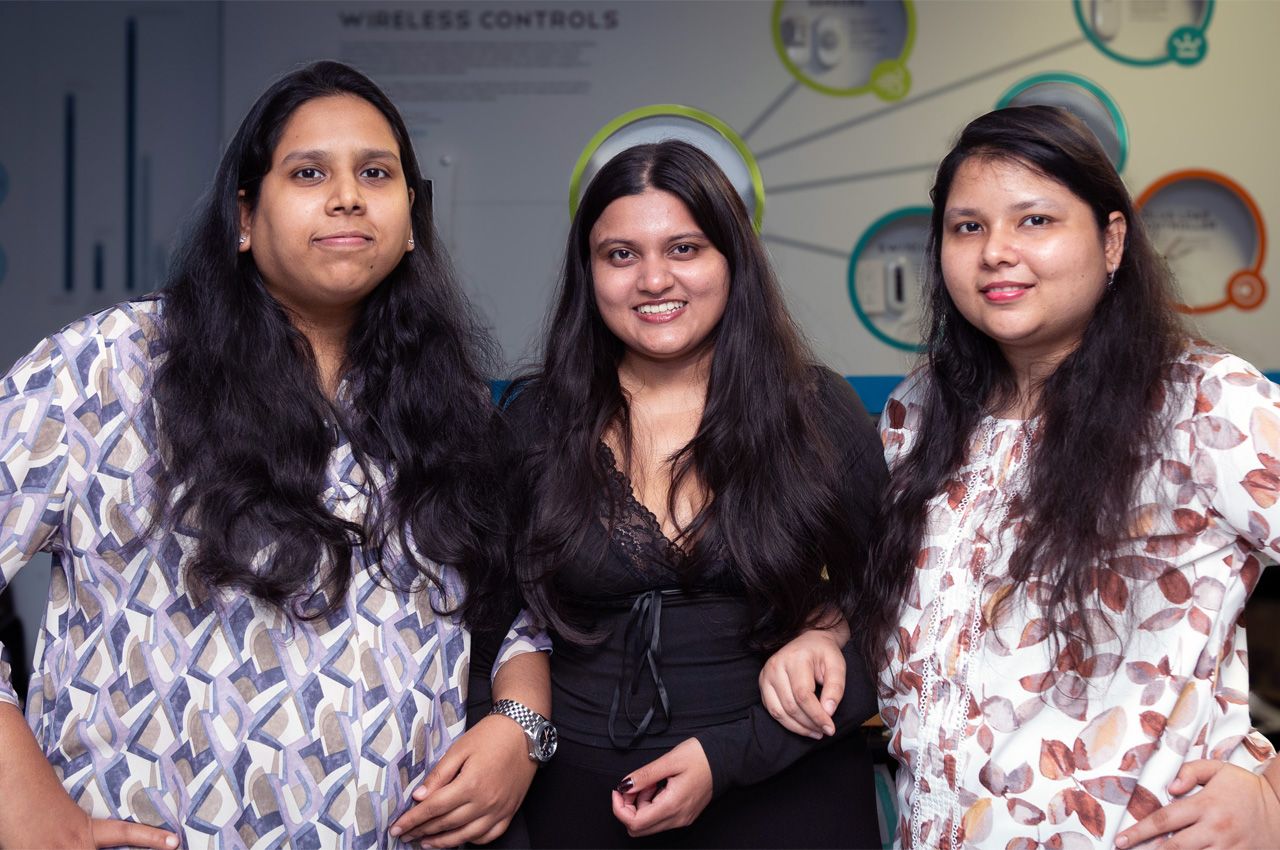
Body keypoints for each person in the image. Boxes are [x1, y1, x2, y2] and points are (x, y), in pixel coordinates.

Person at [0, 61, 549, 849]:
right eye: (308, 172)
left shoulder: (445, 406)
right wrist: (19, 799)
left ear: (410, 219)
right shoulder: (115, 364)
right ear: (245, 219)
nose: (348, 195)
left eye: (375, 172)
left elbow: (522, 608)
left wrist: (519, 729)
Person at [759, 104, 1280, 849]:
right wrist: (826, 632)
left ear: (1111, 242)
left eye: (1034, 221)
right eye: (968, 227)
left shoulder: (1203, 403)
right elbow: (910, 605)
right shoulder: (922, 410)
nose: (997, 251)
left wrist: (1274, 803)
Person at [491, 139, 886, 848]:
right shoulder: (532, 423)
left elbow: (897, 620)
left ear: (732, 261)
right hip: (579, 806)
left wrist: (735, 749)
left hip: (786, 791)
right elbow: (484, 624)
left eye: (685, 248)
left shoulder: (817, 413)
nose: (652, 279)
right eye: (620, 255)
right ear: (589, 273)